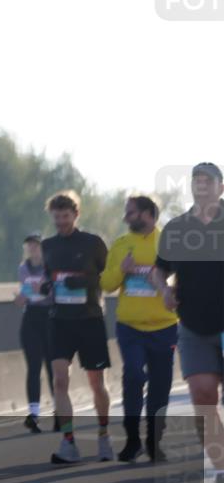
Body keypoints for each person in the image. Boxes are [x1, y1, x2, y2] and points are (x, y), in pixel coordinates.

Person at [152, 162, 224, 483]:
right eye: (196, 182)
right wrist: (164, 290)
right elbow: (159, 269)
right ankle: (222, 471)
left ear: (220, 188)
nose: (201, 187)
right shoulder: (178, 229)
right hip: (194, 325)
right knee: (202, 396)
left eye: (207, 182)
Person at [35, 191, 114, 464]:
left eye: (65, 216)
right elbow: (47, 275)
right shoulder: (48, 246)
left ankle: (104, 436)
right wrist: (46, 285)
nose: (60, 222)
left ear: (76, 215)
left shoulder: (93, 243)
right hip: (59, 321)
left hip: (90, 318)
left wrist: (87, 283)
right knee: (59, 380)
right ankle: (68, 442)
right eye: (56, 217)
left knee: (96, 382)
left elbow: (109, 276)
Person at [100, 196, 178, 462]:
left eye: (130, 213)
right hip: (130, 326)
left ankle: (154, 441)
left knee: (160, 385)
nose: (126, 217)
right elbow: (106, 284)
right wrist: (122, 271)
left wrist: (165, 282)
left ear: (147, 214)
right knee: (133, 374)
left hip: (164, 327)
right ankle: (132, 439)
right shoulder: (122, 245)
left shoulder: (167, 243)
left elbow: (181, 281)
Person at [15, 232, 56, 434]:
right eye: (29, 246)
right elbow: (26, 294)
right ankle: (33, 413)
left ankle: (59, 411)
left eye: (36, 245)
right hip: (31, 317)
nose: (32, 249)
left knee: (52, 366)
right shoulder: (23, 268)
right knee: (33, 367)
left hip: (49, 317)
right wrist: (23, 297)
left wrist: (38, 290)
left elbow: (50, 291)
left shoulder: (51, 267)